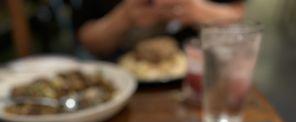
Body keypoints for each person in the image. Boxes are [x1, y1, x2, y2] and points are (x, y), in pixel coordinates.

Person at [72, 0, 246, 57]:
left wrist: (197, 11)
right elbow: (88, 40)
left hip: (200, 72)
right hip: (122, 75)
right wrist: (123, 17)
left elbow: (238, 13)